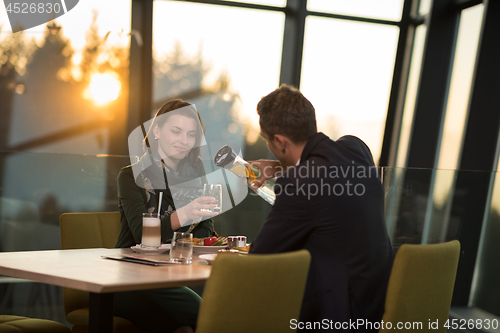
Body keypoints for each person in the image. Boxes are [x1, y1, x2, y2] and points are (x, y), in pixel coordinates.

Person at [249, 85, 394, 331]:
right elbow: (330, 175)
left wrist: (289, 170)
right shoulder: (356, 149)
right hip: (379, 301)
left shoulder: (298, 184)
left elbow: (259, 259)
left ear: (280, 142)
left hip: (339, 316)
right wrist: (281, 165)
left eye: (268, 141)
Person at [114, 99, 216, 333]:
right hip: (130, 279)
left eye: (191, 135)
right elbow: (141, 234)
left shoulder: (194, 173)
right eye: (176, 131)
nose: (185, 141)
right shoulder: (131, 177)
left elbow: (206, 227)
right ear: (157, 130)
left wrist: (179, 233)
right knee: (208, 312)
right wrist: (186, 215)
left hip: (172, 274)